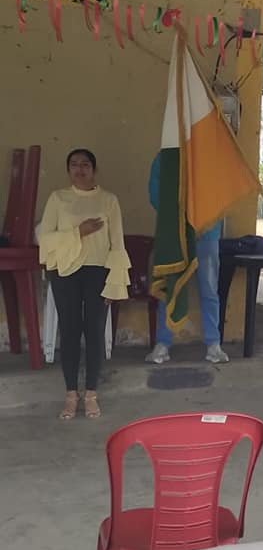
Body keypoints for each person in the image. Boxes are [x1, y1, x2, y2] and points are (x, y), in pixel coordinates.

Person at [37, 149, 130, 419]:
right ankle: (70, 394)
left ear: (94, 170)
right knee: (69, 331)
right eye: (74, 165)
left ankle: (91, 394)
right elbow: (45, 238)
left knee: (94, 331)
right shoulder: (58, 198)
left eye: (85, 164)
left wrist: (115, 281)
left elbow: (117, 243)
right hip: (65, 272)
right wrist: (78, 232)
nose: (79, 169)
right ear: (68, 170)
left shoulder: (109, 200)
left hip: (98, 272)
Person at [144, 153, 229, 364]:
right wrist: (180, 221)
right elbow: (156, 194)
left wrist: (202, 223)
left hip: (206, 233)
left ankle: (213, 344)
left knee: (209, 290)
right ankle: (163, 344)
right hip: (175, 234)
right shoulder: (166, 156)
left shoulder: (210, 153)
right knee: (169, 288)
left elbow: (222, 193)